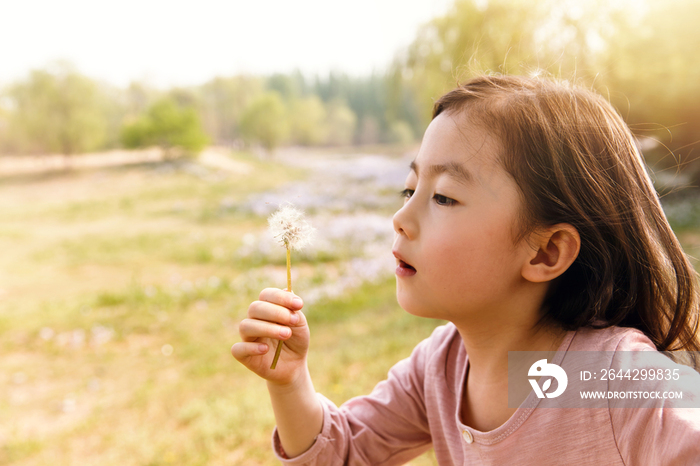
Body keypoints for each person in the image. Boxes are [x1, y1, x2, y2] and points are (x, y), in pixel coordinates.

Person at [232, 75, 700, 465]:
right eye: (409, 189)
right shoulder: (440, 367)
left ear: (545, 253)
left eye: (444, 197)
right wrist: (292, 381)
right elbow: (345, 453)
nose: (401, 218)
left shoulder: (614, 376)